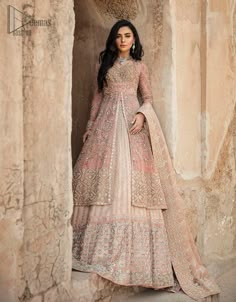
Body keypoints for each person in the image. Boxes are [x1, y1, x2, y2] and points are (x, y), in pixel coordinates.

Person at [71, 19, 220, 301]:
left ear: (134, 39)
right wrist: (89, 126)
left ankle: (134, 258)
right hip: (104, 126)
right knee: (102, 180)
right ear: (114, 40)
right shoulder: (103, 65)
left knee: (129, 183)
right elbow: (96, 98)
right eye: (119, 36)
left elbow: (148, 97)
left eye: (128, 35)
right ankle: (96, 248)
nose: (123, 40)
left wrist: (142, 115)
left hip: (131, 125)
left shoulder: (140, 67)